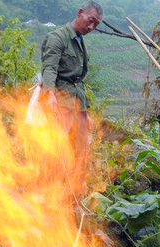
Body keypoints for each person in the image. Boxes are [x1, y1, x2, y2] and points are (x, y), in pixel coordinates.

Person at [40, 1, 102, 193]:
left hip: (77, 104)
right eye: (90, 21)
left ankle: (73, 194)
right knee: (58, 149)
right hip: (61, 101)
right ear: (80, 13)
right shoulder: (57, 37)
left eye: (96, 25)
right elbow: (49, 68)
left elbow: (79, 81)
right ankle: (47, 191)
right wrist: (49, 94)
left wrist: (86, 112)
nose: (91, 27)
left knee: (81, 151)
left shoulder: (79, 41)